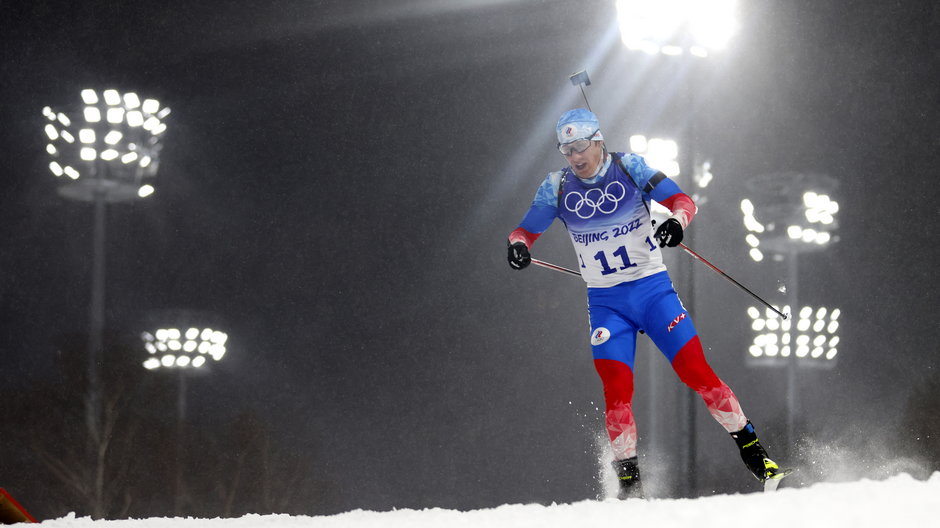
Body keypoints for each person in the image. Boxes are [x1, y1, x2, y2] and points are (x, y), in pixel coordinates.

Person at [506, 108, 786, 499]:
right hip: (607, 305)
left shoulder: (630, 166)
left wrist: (676, 222)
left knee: (697, 372)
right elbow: (525, 229)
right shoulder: (556, 187)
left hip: (652, 292)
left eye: (581, 146)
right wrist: (518, 246)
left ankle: (756, 455)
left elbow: (683, 201)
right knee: (616, 391)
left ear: (599, 141)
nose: (575, 156)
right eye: (566, 149)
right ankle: (630, 487)